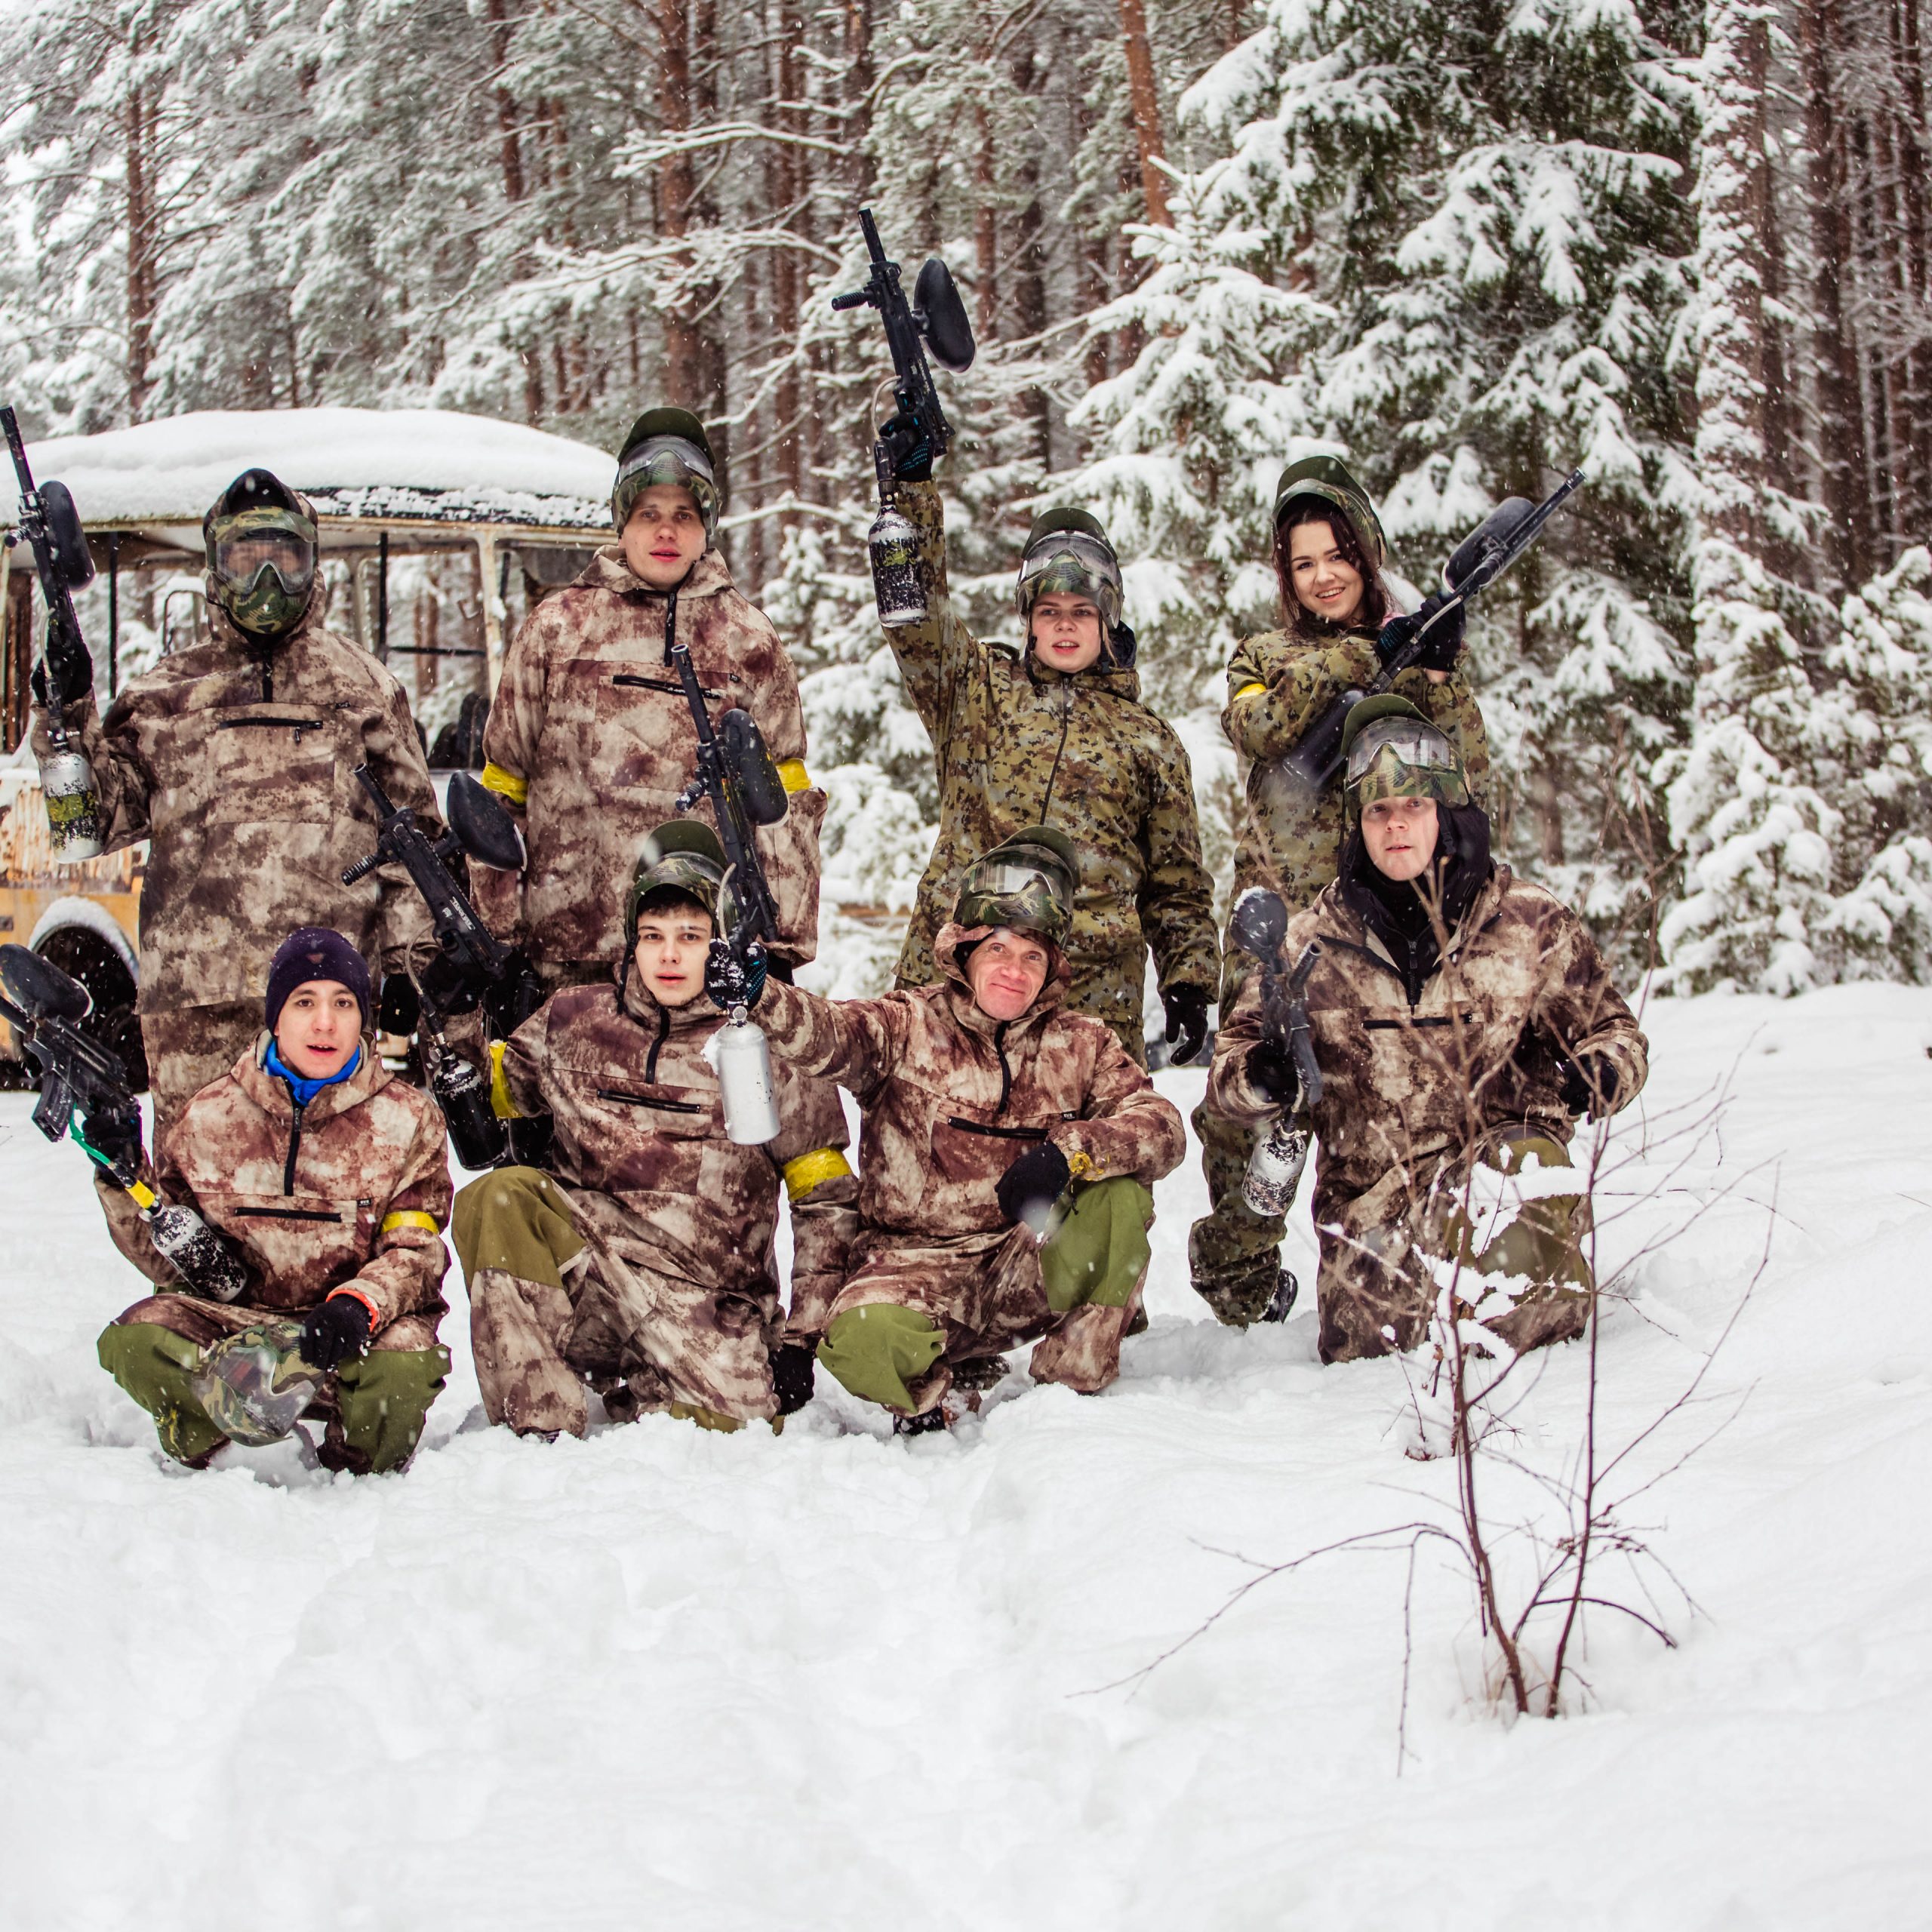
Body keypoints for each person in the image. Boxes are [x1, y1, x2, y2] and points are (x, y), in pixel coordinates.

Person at [1205, 697, 1647, 1365]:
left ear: (1445, 812)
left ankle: (1523, 1372)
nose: (1397, 826)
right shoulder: (1308, 944)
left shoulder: (1529, 922)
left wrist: (1597, 1075)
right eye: (1379, 812)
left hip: (1497, 1188)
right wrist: (1259, 1074)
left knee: (1525, 1199)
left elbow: (1617, 1033)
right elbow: (1228, 1074)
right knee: (1384, 1358)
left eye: (1414, 807)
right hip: (1373, 1226)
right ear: (1360, 823)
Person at [706, 826, 1187, 1432]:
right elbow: (830, 1035)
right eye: (999, 951)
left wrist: (1073, 1152)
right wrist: (763, 995)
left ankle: (1068, 1394)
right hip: (910, 1269)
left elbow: (1163, 1127)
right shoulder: (905, 1024)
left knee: (1120, 1196)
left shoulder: (1083, 1044)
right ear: (965, 951)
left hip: (1021, 1261)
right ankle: (936, 1396)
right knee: (858, 1341)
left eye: (1032, 956)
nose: (1014, 972)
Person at [29, 469, 441, 1141]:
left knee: (333, 1213)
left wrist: (405, 980)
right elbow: (83, 829)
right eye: (247, 562)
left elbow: (413, 853)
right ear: (217, 570)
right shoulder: (166, 695)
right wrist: (66, 715)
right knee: (197, 1214)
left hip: (327, 1010)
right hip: (199, 1013)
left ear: (312, 562)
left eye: (285, 558)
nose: (267, 583)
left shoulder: (363, 690)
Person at [1189, 455, 1493, 1327]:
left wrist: (1433, 675)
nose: (1322, 576)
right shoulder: (1262, 655)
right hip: (1276, 919)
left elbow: (1468, 779)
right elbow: (1257, 725)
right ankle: (1238, 1279)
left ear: (1367, 553)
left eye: (1337, 556)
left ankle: (1399, 1261)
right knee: (1248, 1106)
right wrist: (1367, 656)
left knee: (1381, 1098)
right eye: (1302, 562)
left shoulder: (1415, 647)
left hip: (1384, 924)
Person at [450, 824, 858, 1437]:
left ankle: (650, 1384)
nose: (668, 956)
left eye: (690, 938)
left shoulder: (766, 1044)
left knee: (726, 1435)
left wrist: (804, 1336)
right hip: (591, 1279)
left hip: (707, 1303)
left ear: (721, 943)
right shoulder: (572, 1018)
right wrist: (455, 1015)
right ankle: (539, 1431)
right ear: (631, 943)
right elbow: (482, 1103)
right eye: (653, 937)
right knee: (496, 1198)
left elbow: (824, 1203)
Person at [871, 418, 1218, 1065]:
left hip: (1088, 994)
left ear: (1108, 617)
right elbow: (916, 615)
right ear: (1027, 619)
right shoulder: (975, 690)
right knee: (932, 1152)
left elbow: (1178, 885)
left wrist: (1189, 982)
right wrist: (911, 489)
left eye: (1081, 612)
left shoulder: (1150, 740)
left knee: (1092, 1156)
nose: (1065, 627)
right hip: (957, 978)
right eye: (1049, 612)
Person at [475, 408, 826, 987]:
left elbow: (784, 802)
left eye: (683, 516)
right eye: (650, 514)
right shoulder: (556, 630)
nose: (666, 532)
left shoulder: (748, 639)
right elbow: (501, 794)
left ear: (705, 525)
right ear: (623, 521)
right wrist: (498, 942)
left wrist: (779, 949)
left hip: (698, 959)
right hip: (570, 957)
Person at [92, 927, 454, 1472]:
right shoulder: (209, 1114)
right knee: (134, 1339)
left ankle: (351, 1466)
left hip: (347, 1336)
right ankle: (226, 1450)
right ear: (276, 1018)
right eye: (304, 1002)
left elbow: (415, 1253)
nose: (325, 1023)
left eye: (343, 1003)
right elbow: (161, 1252)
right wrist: (119, 1172)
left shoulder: (408, 1120)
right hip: (232, 1334)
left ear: (364, 1018)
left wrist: (357, 1306)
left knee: (404, 1369)